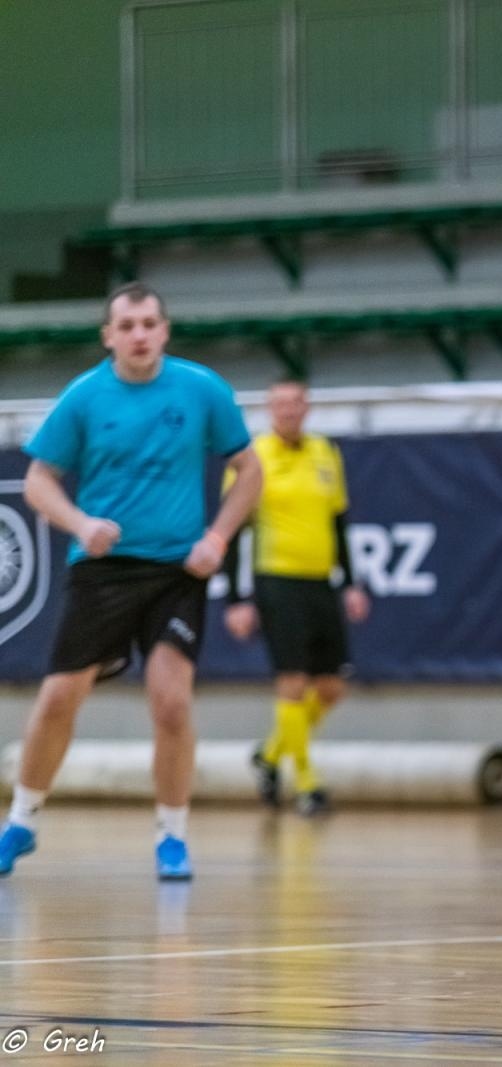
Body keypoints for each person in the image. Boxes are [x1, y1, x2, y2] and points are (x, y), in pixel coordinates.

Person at [0, 282, 261, 881]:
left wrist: (218, 538)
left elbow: (249, 470)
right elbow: (39, 481)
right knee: (58, 698)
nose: (139, 335)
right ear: (108, 336)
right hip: (103, 571)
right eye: (127, 326)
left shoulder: (202, 389)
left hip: (176, 573)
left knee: (171, 703)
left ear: (165, 330)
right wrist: (80, 523)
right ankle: (21, 821)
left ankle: (172, 836)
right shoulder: (84, 397)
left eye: (148, 324)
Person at [221, 380, 369, 817]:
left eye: (296, 402)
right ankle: (306, 782)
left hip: (320, 580)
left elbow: (338, 520)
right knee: (292, 680)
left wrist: (350, 582)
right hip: (276, 580)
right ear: (269, 410)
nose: (288, 411)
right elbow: (232, 530)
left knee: (330, 686)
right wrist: (236, 598)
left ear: (306, 407)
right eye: (280, 404)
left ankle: (270, 755)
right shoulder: (252, 458)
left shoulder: (325, 452)